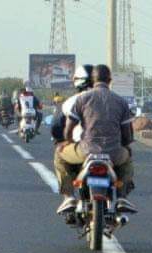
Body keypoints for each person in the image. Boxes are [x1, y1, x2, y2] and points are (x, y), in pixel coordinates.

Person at [54, 64, 136, 214]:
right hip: (114, 153)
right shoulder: (121, 102)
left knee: (59, 155)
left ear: (93, 79)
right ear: (110, 80)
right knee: (127, 159)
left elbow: (68, 129)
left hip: (86, 150)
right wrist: (125, 147)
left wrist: (68, 142)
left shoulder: (82, 99)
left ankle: (68, 196)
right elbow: (127, 135)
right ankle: (122, 196)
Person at [51, 64, 94, 144]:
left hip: (81, 146)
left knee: (59, 152)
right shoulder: (112, 99)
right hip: (110, 147)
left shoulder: (71, 101)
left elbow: (56, 128)